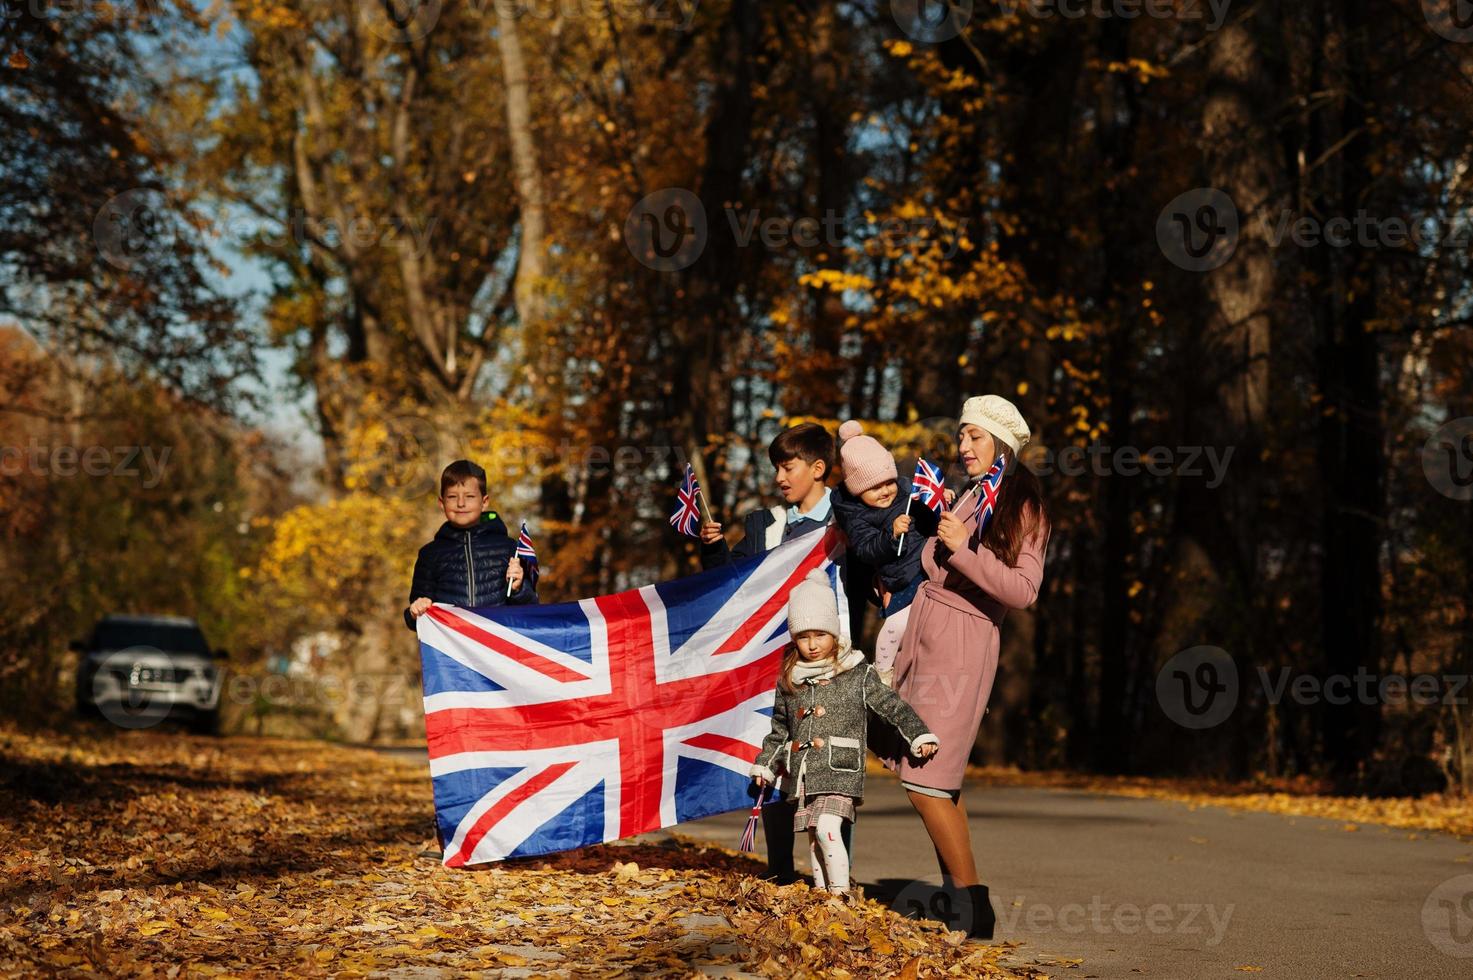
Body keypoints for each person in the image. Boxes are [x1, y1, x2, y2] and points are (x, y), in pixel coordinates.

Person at [879, 394, 1049, 939]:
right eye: (960, 435)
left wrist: (963, 547)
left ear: (1002, 443)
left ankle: (975, 905)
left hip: (963, 641)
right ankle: (957, 896)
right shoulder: (974, 495)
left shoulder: (1024, 506)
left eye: (974, 436)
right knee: (940, 780)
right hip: (929, 633)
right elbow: (939, 561)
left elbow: (1023, 590)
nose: (962, 446)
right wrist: (936, 534)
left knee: (923, 773)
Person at [697, 421, 864, 883]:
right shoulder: (765, 525)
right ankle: (779, 869)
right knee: (774, 758)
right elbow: (738, 587)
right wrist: (713, 552)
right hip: (775, 665)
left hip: (834, 663)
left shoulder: (847, 520)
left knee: (833, 764)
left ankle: (837, 881)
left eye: (787, 467)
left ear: (818, 468)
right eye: (775, 468)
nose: (779, 478)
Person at [749, 570, 939, 897]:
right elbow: (779, 729)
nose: (811, 644)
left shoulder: (856, 672)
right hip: (805, 773)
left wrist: (918, 735)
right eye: (803, 636)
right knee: (813, 835)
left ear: (834, 633)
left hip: (840, 770)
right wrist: (765, 764)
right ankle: (823, 896)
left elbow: (892, 706)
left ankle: (840, 897)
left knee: (826, 828)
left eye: (820, 635)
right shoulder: (790, 679)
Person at [830, 420, 942, 686]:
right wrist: (890, 536)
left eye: (888, 483)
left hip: (927, 570)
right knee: (895, 628)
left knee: (930, 631)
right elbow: (867, 549)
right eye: (874, 487)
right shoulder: (856, 516)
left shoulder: (906, 493)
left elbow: (929, 512)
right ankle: (881, 673)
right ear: (858, 490)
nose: (885, 491)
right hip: (900, 580)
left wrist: (940, 499)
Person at [404, 459, 538, 631]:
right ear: (441, 502)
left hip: (497, 650)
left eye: (470, 496)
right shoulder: (429, 554)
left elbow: (530, 607)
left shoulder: (509, 548)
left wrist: (518, 588)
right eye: (452, 497)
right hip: (453, 652)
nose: (461, 503)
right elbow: (414, 619)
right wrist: (415, 611)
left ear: (485, 502)